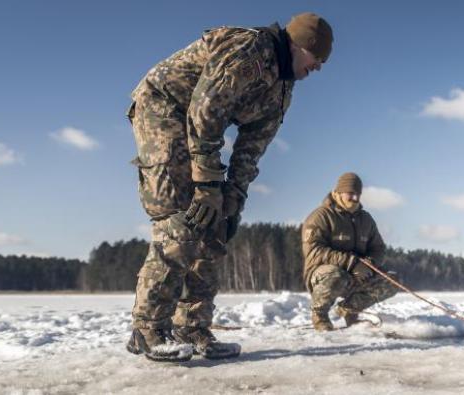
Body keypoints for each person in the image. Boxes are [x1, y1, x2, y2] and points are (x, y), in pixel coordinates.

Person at [125, 13, 333, 362]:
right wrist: (207, 182)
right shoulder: (249, 49)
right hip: (165, 108)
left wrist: (233, 197)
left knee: (213, 226)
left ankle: (192, 326)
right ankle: (148, 329)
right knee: (180, 220)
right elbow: (204, 112)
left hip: (199, 128)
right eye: (317, 59)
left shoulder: (282, 90)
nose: (318, 68)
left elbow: (252, 147)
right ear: (299, 45)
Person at [301, 172, 399, 331]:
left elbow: (378, 248)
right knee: (337, 275)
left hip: (358, 272)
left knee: (392, 280)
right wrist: (352, 263)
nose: (355, 198)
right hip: (324, 273)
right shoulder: (321, 216)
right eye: (351, 194)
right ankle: (319, 316)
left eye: (358, 194)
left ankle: (350, 310)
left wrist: (369, 263)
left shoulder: (366, 219)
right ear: (338, 193)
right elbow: (314, 250)